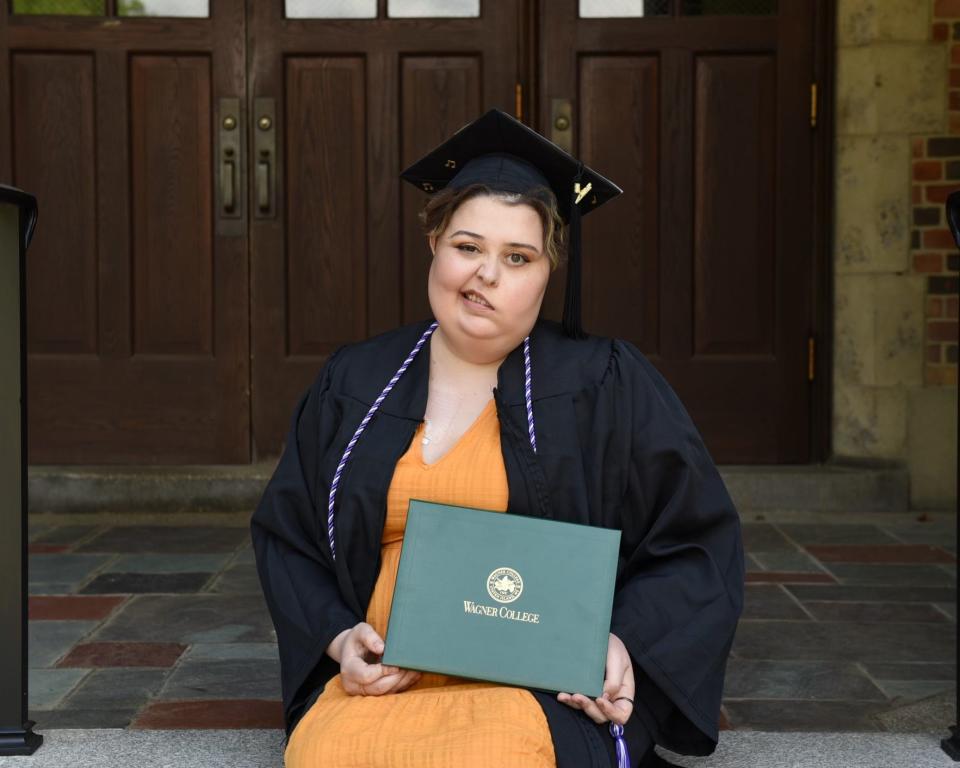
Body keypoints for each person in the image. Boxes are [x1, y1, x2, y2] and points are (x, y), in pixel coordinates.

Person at [251, 109, 745, 768]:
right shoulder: (357, 380)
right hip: (382, 685)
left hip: (537, 690)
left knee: (494, 754)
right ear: (434, 242)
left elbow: (695, 541)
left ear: (549, 271)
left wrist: (624, 641)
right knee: (326, 755)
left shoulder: (602, 383)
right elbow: (290, 537)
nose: (487, 274)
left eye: (518, 257)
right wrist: (340, 641)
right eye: (468, 247)